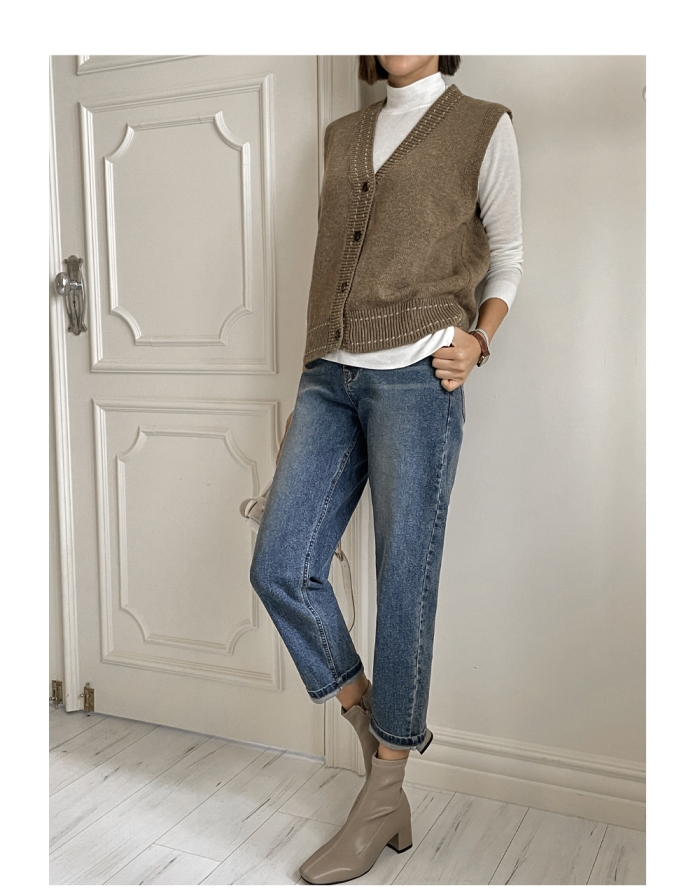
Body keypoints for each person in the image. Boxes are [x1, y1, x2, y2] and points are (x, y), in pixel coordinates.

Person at [249, 54, 523, 884]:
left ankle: (381, 797)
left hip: (420, 378)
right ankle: (377, 735)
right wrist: (310, 376)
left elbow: (509, 254)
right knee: (281, 565)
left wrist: (480, 341)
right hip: (328, 378)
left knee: (405, 580)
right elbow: (331, 264)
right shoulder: (343, 136)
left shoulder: (483, 125)